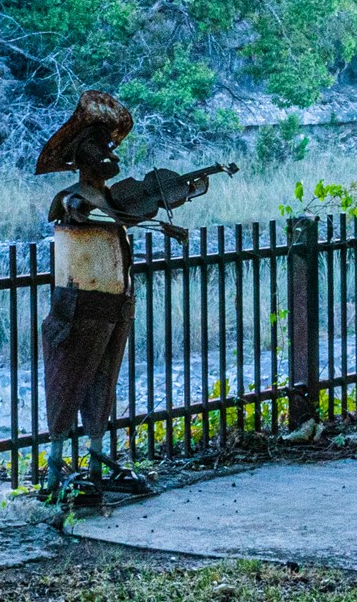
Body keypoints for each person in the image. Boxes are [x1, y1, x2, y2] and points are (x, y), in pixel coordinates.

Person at [35, 90, 231, 501]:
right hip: (80, 305)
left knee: (102, 387)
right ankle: (56, 470)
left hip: (113, 301)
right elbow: (79, 210)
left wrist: (183, 194)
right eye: (98, 149)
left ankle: (94, 460)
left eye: (107, 147)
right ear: (81, 157)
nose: (109, 156)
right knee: (69, 384)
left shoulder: (107, 198)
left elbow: (128, 210)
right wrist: (121, 213)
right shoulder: (73, 198)